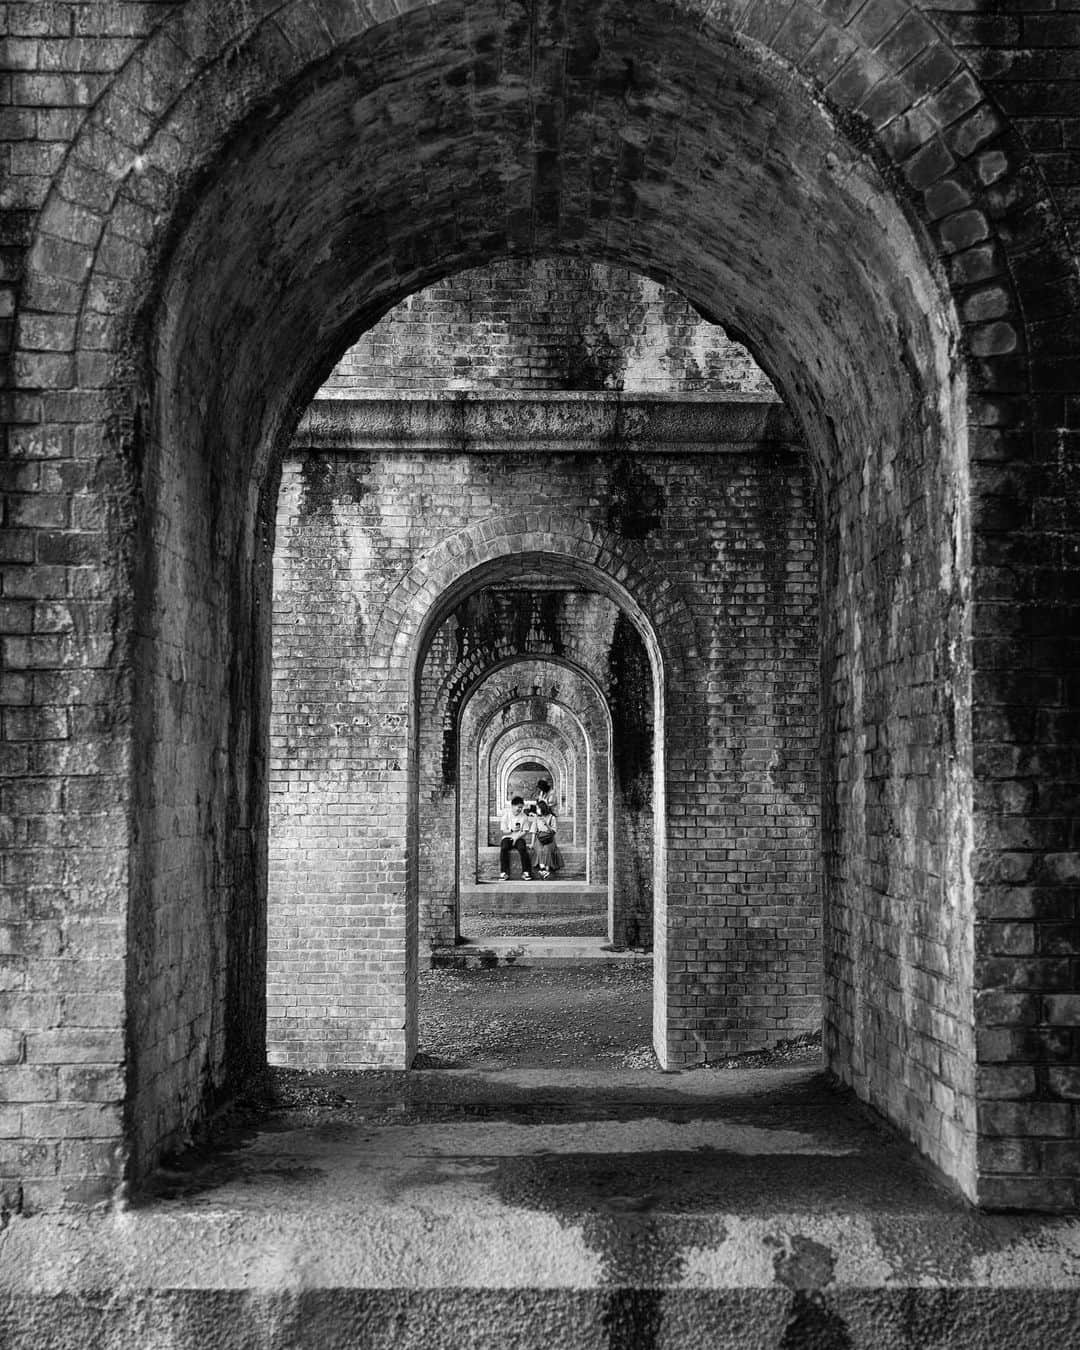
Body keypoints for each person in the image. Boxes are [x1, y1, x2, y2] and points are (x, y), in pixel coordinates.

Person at [498, 796, 532, 880]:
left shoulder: (524, 816)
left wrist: (516, 838)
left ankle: (526, 872)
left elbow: (525, 831)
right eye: (519, 807)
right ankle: (504, 872)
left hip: (519, 838)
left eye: (521, 807)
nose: (520, 809)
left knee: (522, 848)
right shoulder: (506, 816)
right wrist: (512, 830)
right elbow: (503, 831)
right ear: (513, 806)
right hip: (507, 837)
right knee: (504, 848)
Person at [530, 800, 562, 879]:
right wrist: (531, 843)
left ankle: (545, 871)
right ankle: (544, 870)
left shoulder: (552, 817)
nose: (537, 810)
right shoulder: (537, 818)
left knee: (547, 849)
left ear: (542, 808)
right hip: (540, 838)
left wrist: (546, 824)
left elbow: (553, 831)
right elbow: (534, 831)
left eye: (538, 808)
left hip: (549, 839)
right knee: (540, 850)